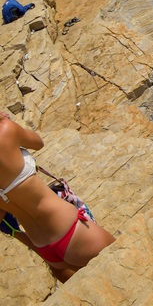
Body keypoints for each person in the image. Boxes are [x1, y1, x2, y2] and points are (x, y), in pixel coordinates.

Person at [0, 112, 115, 282]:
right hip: (70, 230)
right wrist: (7, 121)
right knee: (131, 267)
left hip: (44, 248)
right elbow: (38, 143)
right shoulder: (6, 130)